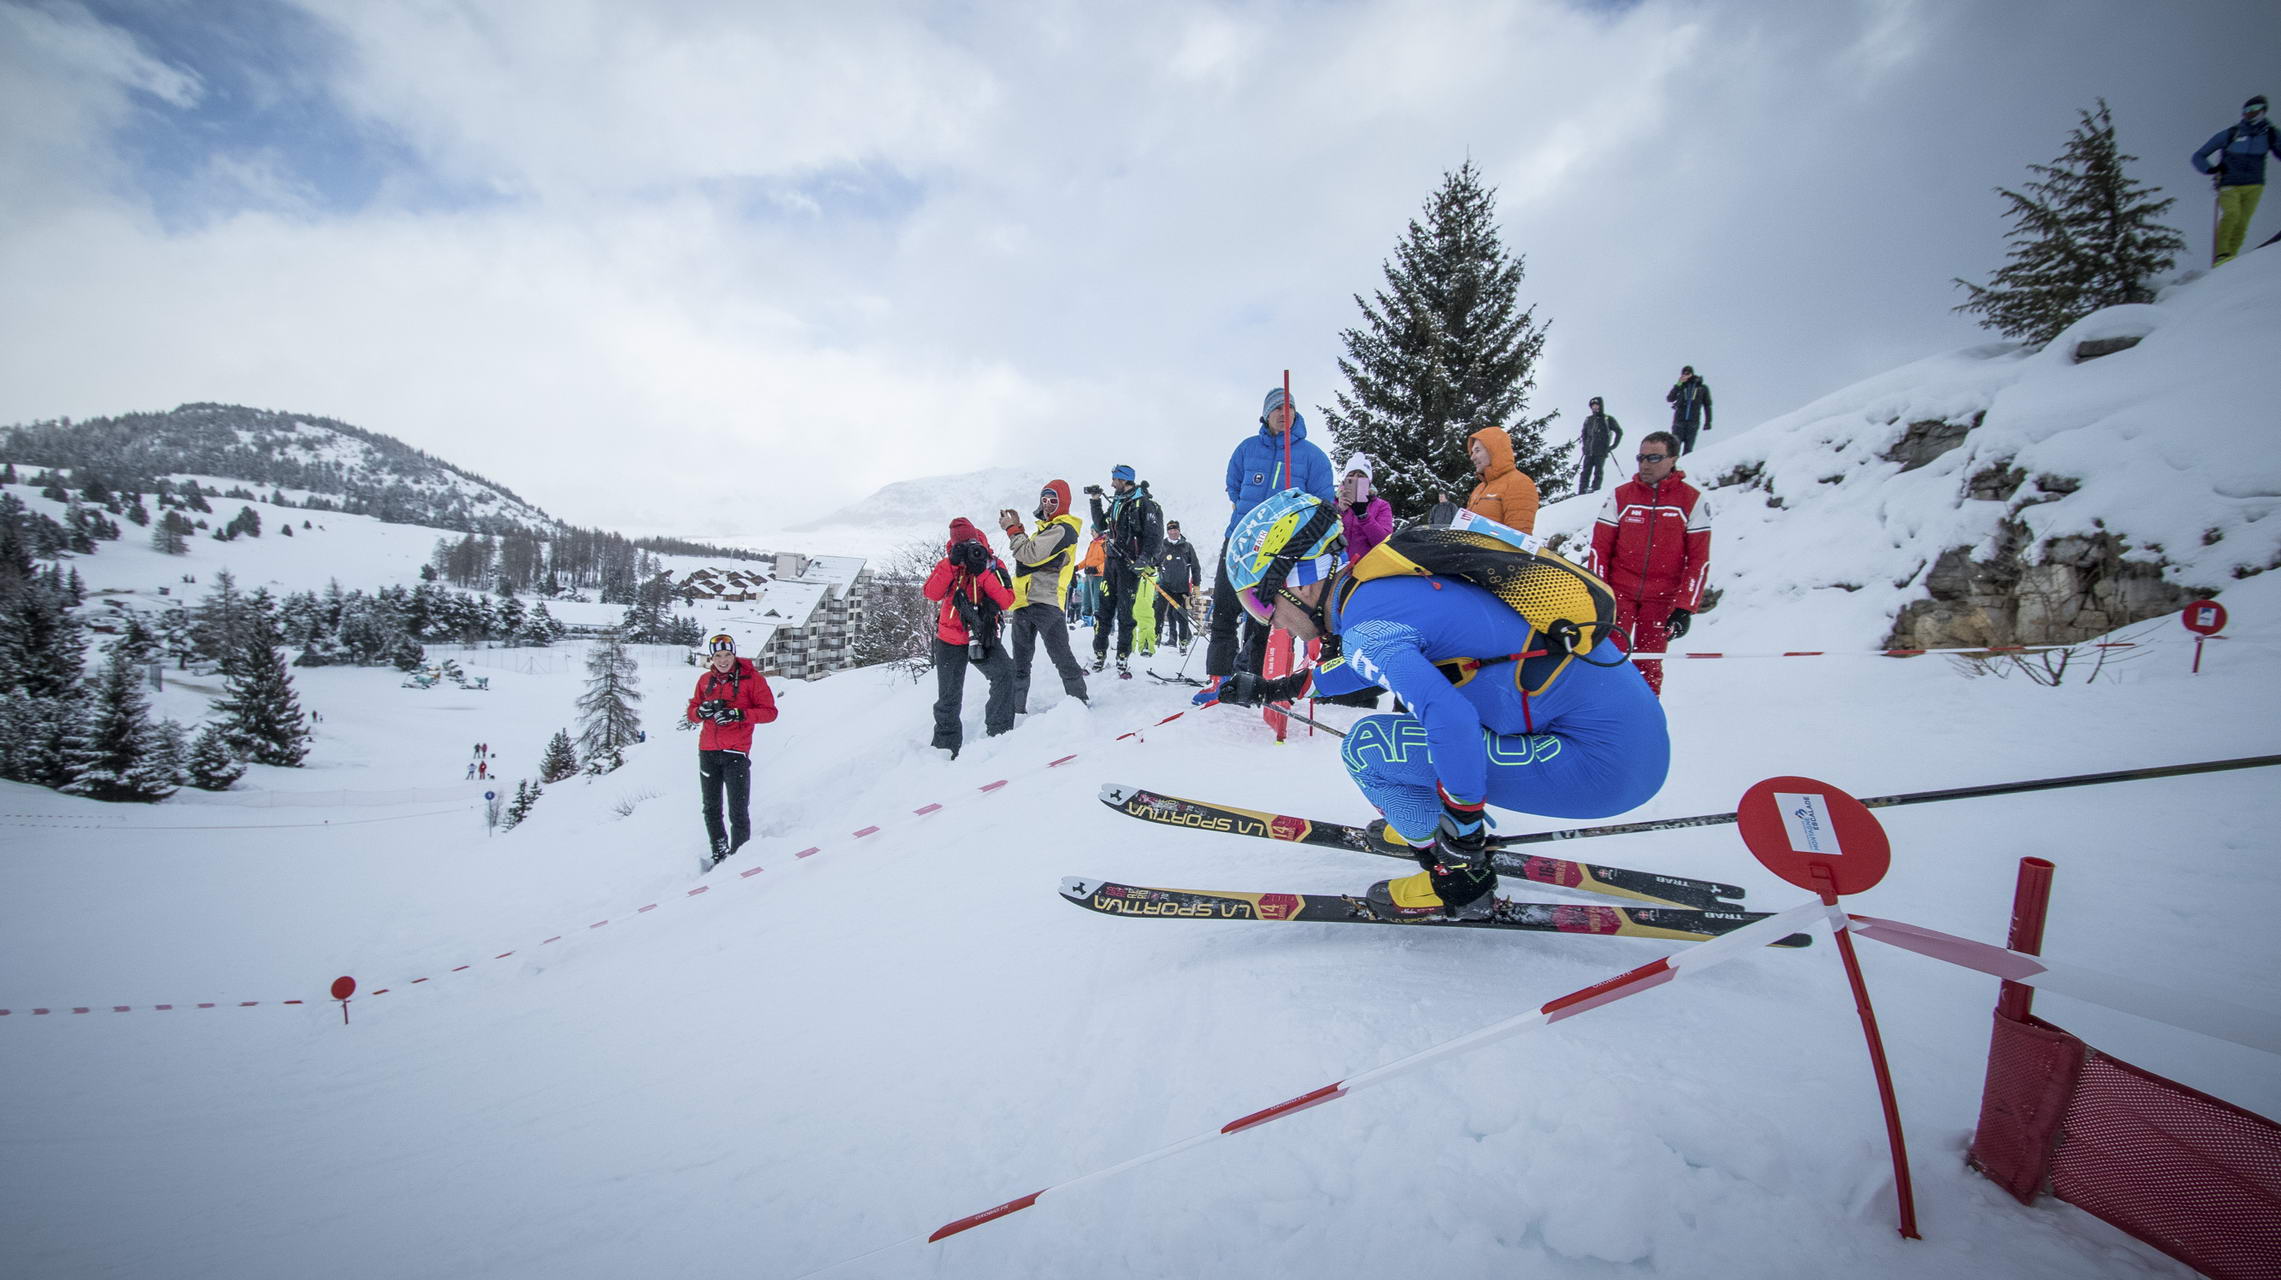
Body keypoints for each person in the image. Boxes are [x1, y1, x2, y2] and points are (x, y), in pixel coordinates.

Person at [1202, 490, 1668, 919]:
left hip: (1600, 771)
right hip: (1629, 746)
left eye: (1262, 606)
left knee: (1368, 748)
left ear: (1299, 585)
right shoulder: (1384, 584)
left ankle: (1455, 875)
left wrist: (1463, 839)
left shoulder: (1367, 626)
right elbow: (1368, 663)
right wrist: (1277, 689)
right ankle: (1431, 818)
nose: (1272, 624)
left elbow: (1451, 717)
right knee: (1415, 736)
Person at [1201, 387, 1336, 699]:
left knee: (1263, 617)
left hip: (1279, 554)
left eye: (1289, 407)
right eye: (1277, 408)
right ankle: (1218, 679)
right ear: (1266, 414)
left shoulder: (1312, 456)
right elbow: (1234, 488)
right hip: (1239, 544)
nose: (1283, 413)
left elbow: (1322, 501)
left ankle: (1252, 682)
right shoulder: (1247, 449)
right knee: (1224, 609)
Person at [1589, 432, 1712, 698]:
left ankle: (1644, 720)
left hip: (1661, 598)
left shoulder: (1691, 500)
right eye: (1640, 457)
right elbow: (1599, 549)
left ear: (1673, 459)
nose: (1645, 464)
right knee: (1609, 657)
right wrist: (1599, 593)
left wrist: (1684, 607)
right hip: (1618, 593)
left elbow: (1699, 560)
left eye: (1654, 457)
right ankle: (1601, 713)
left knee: (1648, 664)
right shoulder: (1621, 496)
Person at [922, 518, 1017, 758]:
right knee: (948, 698)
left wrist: (982, 572)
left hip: (983, 634)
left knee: (1005, 674)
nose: (966, 550)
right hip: (949, 639)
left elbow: (1007, 600)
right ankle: (944, 750)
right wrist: (952, 565)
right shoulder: (948, 563)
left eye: (970, 544)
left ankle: (1000, 734)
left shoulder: (993, 563)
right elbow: (931, 593)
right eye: (960, 546)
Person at [684, 631, 780, 865]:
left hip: (735, 753)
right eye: (718, 656)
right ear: (711, 658)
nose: (723, 660)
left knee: (738, 810)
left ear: (734, 654)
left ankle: (740, 858)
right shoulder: (706, 681)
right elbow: (692, 712)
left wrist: (739, 714)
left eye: (727, 654)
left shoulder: (753, 679)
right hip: (707, 751)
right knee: (711, 808)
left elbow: (770, 713)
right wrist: (701, 712)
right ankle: (719, 852)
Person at [999, 480, 1089, 714]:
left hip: (1046, 602)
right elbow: (1034, 555)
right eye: (1045, 499)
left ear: (1064, 503)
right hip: (1024, 602)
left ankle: (1080, 704)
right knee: (1020, 663)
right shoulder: (1048, 529)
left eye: (1053, 500)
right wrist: (1018, 528)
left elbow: (1029, 555)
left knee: (1062, 657)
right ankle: (1016, 711)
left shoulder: (1064, 529)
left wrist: (1012, 530)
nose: (1048, 504)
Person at [1086, 465, 1164, 679]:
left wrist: (1144, 560)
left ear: (1125, 480)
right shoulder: (1118, 502)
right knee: (1103, 610)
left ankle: (1122, 657)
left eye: (1115, 480)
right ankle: (1099, 654)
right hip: (1111, 562)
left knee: (1126, 613)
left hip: (1130, 566)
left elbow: (1154, 537)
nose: (1112, 484)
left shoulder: (1143, 504)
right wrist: (1095, 499)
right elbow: (1102, 525)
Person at [2193, 94, 2279, 267]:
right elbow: (2198, 156)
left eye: (2253, 110)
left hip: (2255, 184)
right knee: (2232, 214)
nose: (2249, 114)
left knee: (2242, 222)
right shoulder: (2231, 133)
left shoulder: (2270, 134)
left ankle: (2230, 259)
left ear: (2263, 111)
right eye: (2246, 111)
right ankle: (2222, 256)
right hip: (2229, 182)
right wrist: (2211, 169)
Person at [1463, 426, 1540, 533]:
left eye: (1477, 450)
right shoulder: (1480, 488)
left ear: (1494, 450)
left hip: (1493, 550)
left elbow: (1517, 538)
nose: (1472, 457)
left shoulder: (1519, 483)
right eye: (1472, 452)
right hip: (1471, 549)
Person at [1335, 455, 1394, 564]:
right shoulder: (1333, 502)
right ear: (1345, 480)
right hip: (1335, 567)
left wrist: (1363, 516)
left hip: (1367, 568)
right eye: (1351, 475)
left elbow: (1384, 543)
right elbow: (1321, 537)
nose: (1355, 479)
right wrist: (1339, 511)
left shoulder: (1381, 505)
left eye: (1361, 476)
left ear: (1369, 481)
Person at [1155, 520, 1202, 651]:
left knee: (1181, 615)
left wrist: (1196, 585)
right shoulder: (1162, 546)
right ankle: (1156, 635)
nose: (1173, 532)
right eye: (1170, 530)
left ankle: (1183, 641)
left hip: (1181, 588)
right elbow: (1155, 563)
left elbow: (1195, 566)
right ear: (1167, 531)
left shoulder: (1187, 546)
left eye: (1175, 529)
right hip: (1165, 586)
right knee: (1158, 610)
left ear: (1179, 531)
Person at [1578, 396, 1624, 493]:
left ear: (1600, 406)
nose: (1594, 408)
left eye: (1596, 405)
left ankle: (1595, 490)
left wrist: (1612, 446)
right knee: (1585, 472)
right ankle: (1581, 491)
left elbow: (1619, 432)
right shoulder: (1588, 419)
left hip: (1601, 451)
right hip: (1588, 451)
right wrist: (1584, 447)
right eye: (1592, 406)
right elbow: (1584, 434)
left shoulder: (1607, 419)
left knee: (1598, 472)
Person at [1665, 366, 1712, 456]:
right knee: (1674, 449)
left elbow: (1707, 405)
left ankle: (1685, 468)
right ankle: (1672, 468)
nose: (1686, 375)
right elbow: (1670, 398)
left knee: (1688, 450)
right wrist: (1679, 383)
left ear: (1692, 374)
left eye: (1688, 373)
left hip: (1693, 422)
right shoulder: (1680, 386)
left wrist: (1708, 422)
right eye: (1684, 373)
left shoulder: (1702, 388)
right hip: (1679, 421)